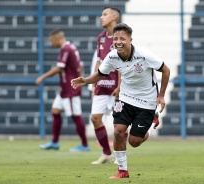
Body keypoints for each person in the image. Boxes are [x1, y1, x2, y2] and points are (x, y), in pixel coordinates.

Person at [71, 23, 170, 178]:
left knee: (135, 142)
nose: (118, 41)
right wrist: (86, 80)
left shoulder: (144, 55)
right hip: (125, 98)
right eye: (115, 38)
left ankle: (151, 121)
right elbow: (100, 73)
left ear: (130, 40)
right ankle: (122, 170)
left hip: (146, 101)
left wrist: (161, 95)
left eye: (122, 38)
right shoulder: (112, 56)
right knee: (118, 131)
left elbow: (166, 70)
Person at [36, 29, 90, 152]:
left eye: (51, 40)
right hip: (66, 89)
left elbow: (59, 68)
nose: (51, 43)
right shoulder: (72, 47)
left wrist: (42, 77)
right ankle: (54, 142)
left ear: (57, 39)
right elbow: (81, 65)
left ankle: (85, 144)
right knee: (55, 110)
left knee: (76, 116)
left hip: (70, 89)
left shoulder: (66, 49)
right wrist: (78, 79)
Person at [89, 7, 128, 165]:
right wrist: (93, 82)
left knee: (120, 124)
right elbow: (98, 61)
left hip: (116, 88)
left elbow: (124, 64)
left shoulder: (122, 37)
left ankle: (120, 155)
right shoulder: (101, 38)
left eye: (104, 14)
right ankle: (106, 153)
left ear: (114, 17)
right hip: (102, 86)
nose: (101, 17)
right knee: (95, 118)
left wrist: (120, 85)